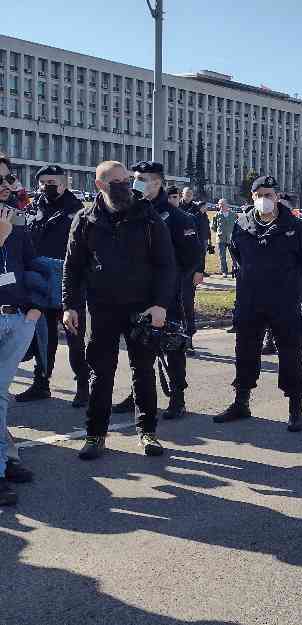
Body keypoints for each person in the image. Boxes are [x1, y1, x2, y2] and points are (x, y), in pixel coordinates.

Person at [63, 161, 177, 460]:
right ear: (100, 185)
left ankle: (147, 432)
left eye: (127, 179)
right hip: (102, 309)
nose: (126, 185)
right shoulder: (85, 219)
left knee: (143, 371)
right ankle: (95, 435)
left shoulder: (148, 217)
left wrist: (161, 305)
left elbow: (167, 265)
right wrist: (70, 306)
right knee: (100, 374)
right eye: (117, 181)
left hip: (142, 309)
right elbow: (72, 268)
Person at [214, 175, 302, 432]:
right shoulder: (242, 224)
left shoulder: (296, 226)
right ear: (252, 198)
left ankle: (295, 407)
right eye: (259, 195)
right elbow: (237, 254)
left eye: (268, 195)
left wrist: (292, 285)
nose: (264, 200)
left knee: (290, 354)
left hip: (284, 302)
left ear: (277, 197)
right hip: (250, 300)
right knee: (245, 352)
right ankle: (241, 401)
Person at [112, 165, 202, 420]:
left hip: (168, 294)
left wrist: (169, 284)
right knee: (139, 347)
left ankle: (177, 397)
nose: (136, 183)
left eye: (142, 180)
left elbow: (191, 256)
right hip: (136, 294)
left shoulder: (176, 217)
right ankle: (138, 393)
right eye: (135, 179)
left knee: (172, 345)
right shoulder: (129, 211)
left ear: (158, 183)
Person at [15, 164, 89, 407]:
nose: (49, 186)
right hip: (41, 282)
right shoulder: (33, 208)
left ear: (64, 182)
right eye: (44, 181)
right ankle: (41, 383)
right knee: (43, 337)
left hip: (69, 282)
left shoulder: (77, 209)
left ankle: (83, 386)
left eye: (54, 181)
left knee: (75, 337)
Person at [0, 159, 44, 505]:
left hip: (17, 318)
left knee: (1, 396)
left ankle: (3, 460)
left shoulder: (17, 222)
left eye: (8, 178)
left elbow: (30, 265)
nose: (6, 184)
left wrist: (34, 308)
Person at [182, 193, 212, 352]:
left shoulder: (192, 217)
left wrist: (199, 270)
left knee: (187, 306)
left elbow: (198, 247)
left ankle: (188, 339)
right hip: (170, 273)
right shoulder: (162, 215)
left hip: (187, 272)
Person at [212, 198, 238, 277]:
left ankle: (235, 270)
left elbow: (238, 224)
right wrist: (219, 232)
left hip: (231, 239)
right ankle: (224, 272)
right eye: (220, 204)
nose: (221, 206)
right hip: (221, 238)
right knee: (222, 257)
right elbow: (214, 227)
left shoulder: (233, 214)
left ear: (227, 204)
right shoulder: (217, 215)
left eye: (223, 204)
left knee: (234, 256)